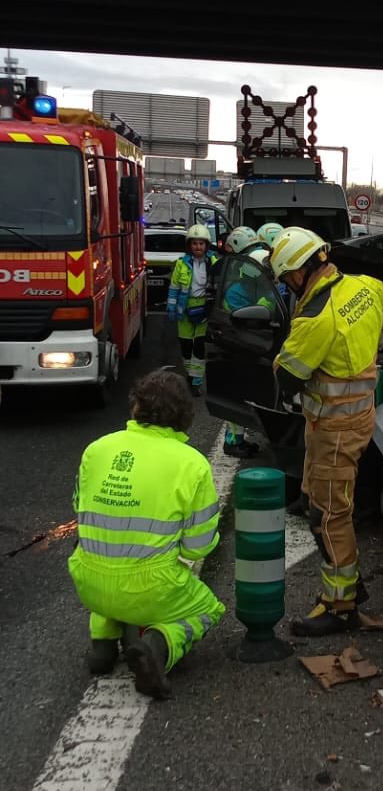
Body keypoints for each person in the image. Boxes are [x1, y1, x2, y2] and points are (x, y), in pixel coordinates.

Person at [270, 227, 383, 636]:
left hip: (334, 428)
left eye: (284, 280)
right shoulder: (363, 286)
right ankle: (342, 591)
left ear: (296, 273)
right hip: (354, 418)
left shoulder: (315, 319)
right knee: (317, 502)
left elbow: (288, 379)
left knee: (328, 515)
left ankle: (341, 604)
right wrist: (367, 351)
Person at [68, 368, 225, 699]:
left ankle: (102, 645)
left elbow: (79, 508)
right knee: (207, 609)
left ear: (136, 407)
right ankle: (157, 647)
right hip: (149, 589)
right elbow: (198, 548)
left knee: (112, 559)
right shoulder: (192, 464)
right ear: (183, 416)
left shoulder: (97, 449)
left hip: (88, 581)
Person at [220, 227, 275, 457]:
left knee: (241, 391)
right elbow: (252, 312)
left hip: (244, 341)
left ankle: (237, 438)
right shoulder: (240, 287)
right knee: (238, 392)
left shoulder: (243, 273)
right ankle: (233, 440)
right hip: (241, 342)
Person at [166, 223, 220, 396]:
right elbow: (174, 287)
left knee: (199, 346)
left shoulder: (214, 262)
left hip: (204, 309)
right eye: (195, 243)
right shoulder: (182, 264)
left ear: (206, 245)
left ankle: (196, 381)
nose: (198, 247)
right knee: (186, 346)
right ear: (190, 245)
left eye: (201, 244)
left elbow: (220, 286)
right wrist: (171, 307)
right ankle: (190, 375)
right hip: (185, 309)